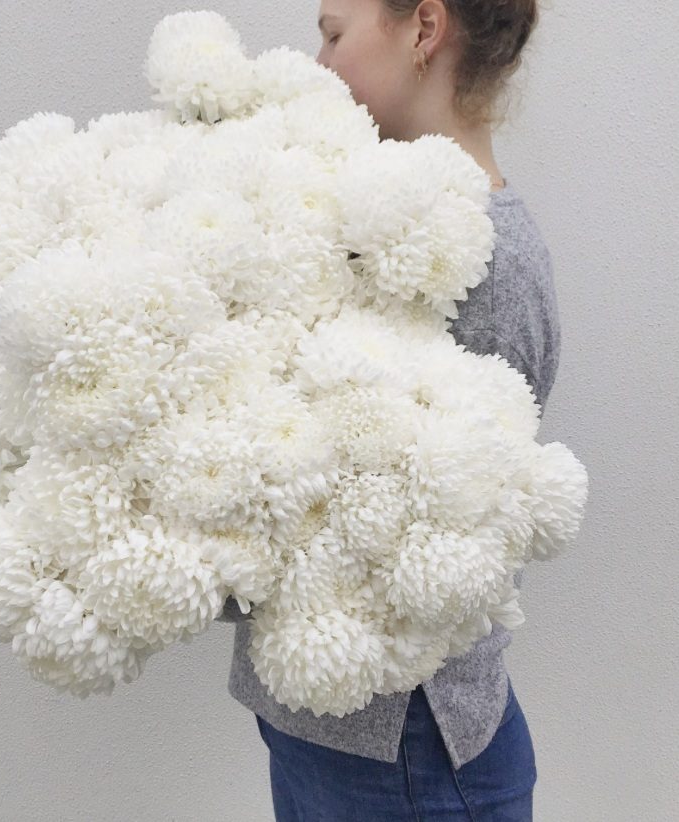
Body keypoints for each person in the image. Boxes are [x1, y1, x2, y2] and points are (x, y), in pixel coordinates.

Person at [217, 1, 561, 819]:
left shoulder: (489, 261)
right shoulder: (356, 217)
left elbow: (416, 543)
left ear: (424, 29)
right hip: (331, 735)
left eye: (334, 34)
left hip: (408, 749)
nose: (317, 62)